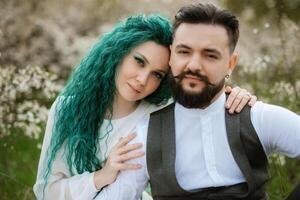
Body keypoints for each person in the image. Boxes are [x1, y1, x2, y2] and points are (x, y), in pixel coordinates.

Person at [33, 14, 256, 200]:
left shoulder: (160, 111)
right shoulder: (68, 109)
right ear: (118, 54)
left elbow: (208, 104)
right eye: (139, 61)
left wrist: (236, 93)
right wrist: (102, 176)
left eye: (157, 74)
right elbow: (45, 191)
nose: (142, 79)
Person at [93, 3, 300, 200]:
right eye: (184, 52)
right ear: (171, 56)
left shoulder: (258, 118)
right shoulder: (145, 134)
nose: (194, 65)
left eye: (210, 55)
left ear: (230, 63)